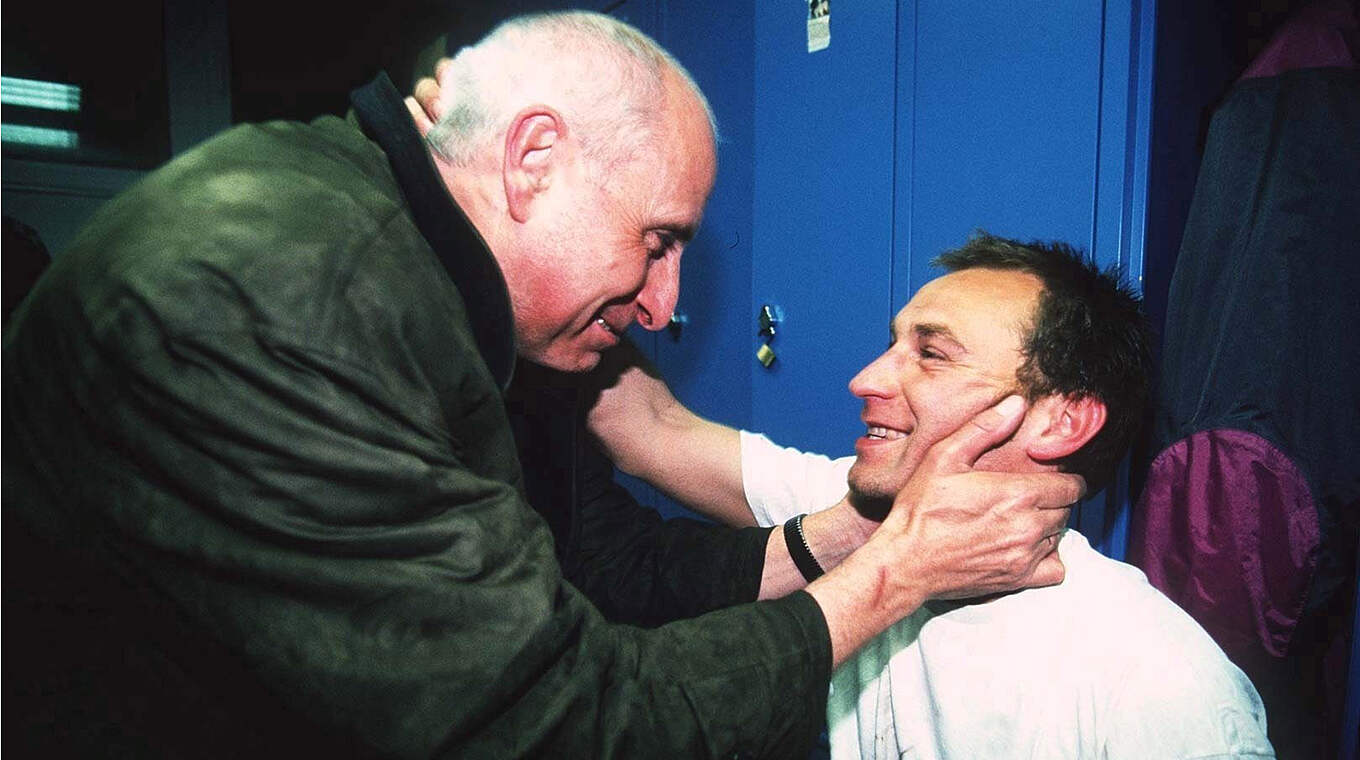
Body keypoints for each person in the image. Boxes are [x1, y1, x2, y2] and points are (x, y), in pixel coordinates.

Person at [4, 12, 1082, 758]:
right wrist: (891, 572)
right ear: (530, 162)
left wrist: (846, 538)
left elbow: (602, 563)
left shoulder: (423, 275)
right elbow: (560, 728)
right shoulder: (290, 312)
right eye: (656, 241)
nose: (664, 306)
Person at [593, 233, 1275, 759]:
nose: (864, 380)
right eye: (891, 344)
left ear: (1062, 420)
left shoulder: (1157, 678)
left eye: (933, 354)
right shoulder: (863, 509)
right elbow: (649, 429)